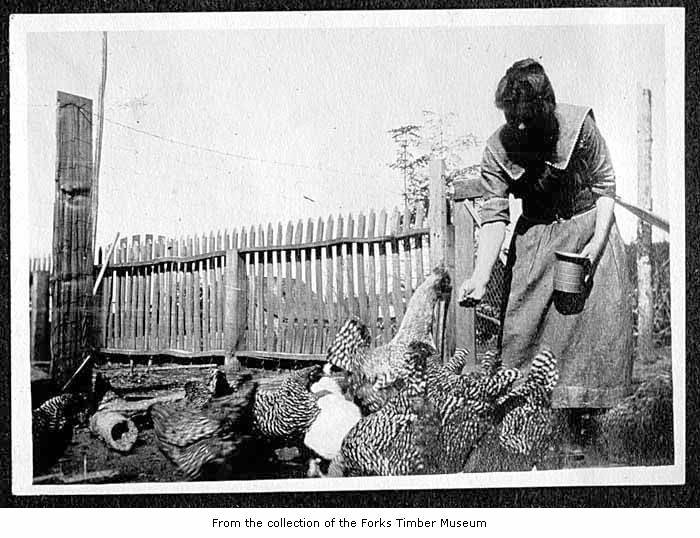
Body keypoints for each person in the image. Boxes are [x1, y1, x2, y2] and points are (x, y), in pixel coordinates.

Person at [459, 59, 634, 452]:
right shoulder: (497, 147)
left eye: (527, 118)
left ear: (546, 108)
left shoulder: (579, 126)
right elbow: (493, 217)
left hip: (590, 234)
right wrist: (482, 274)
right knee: (523, 340)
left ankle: (591, 446)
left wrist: (596, 245)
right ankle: (531, 443)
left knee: (594, 341)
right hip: (538, 242)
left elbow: (606, 187)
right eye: (511, 118)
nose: (519, 127)